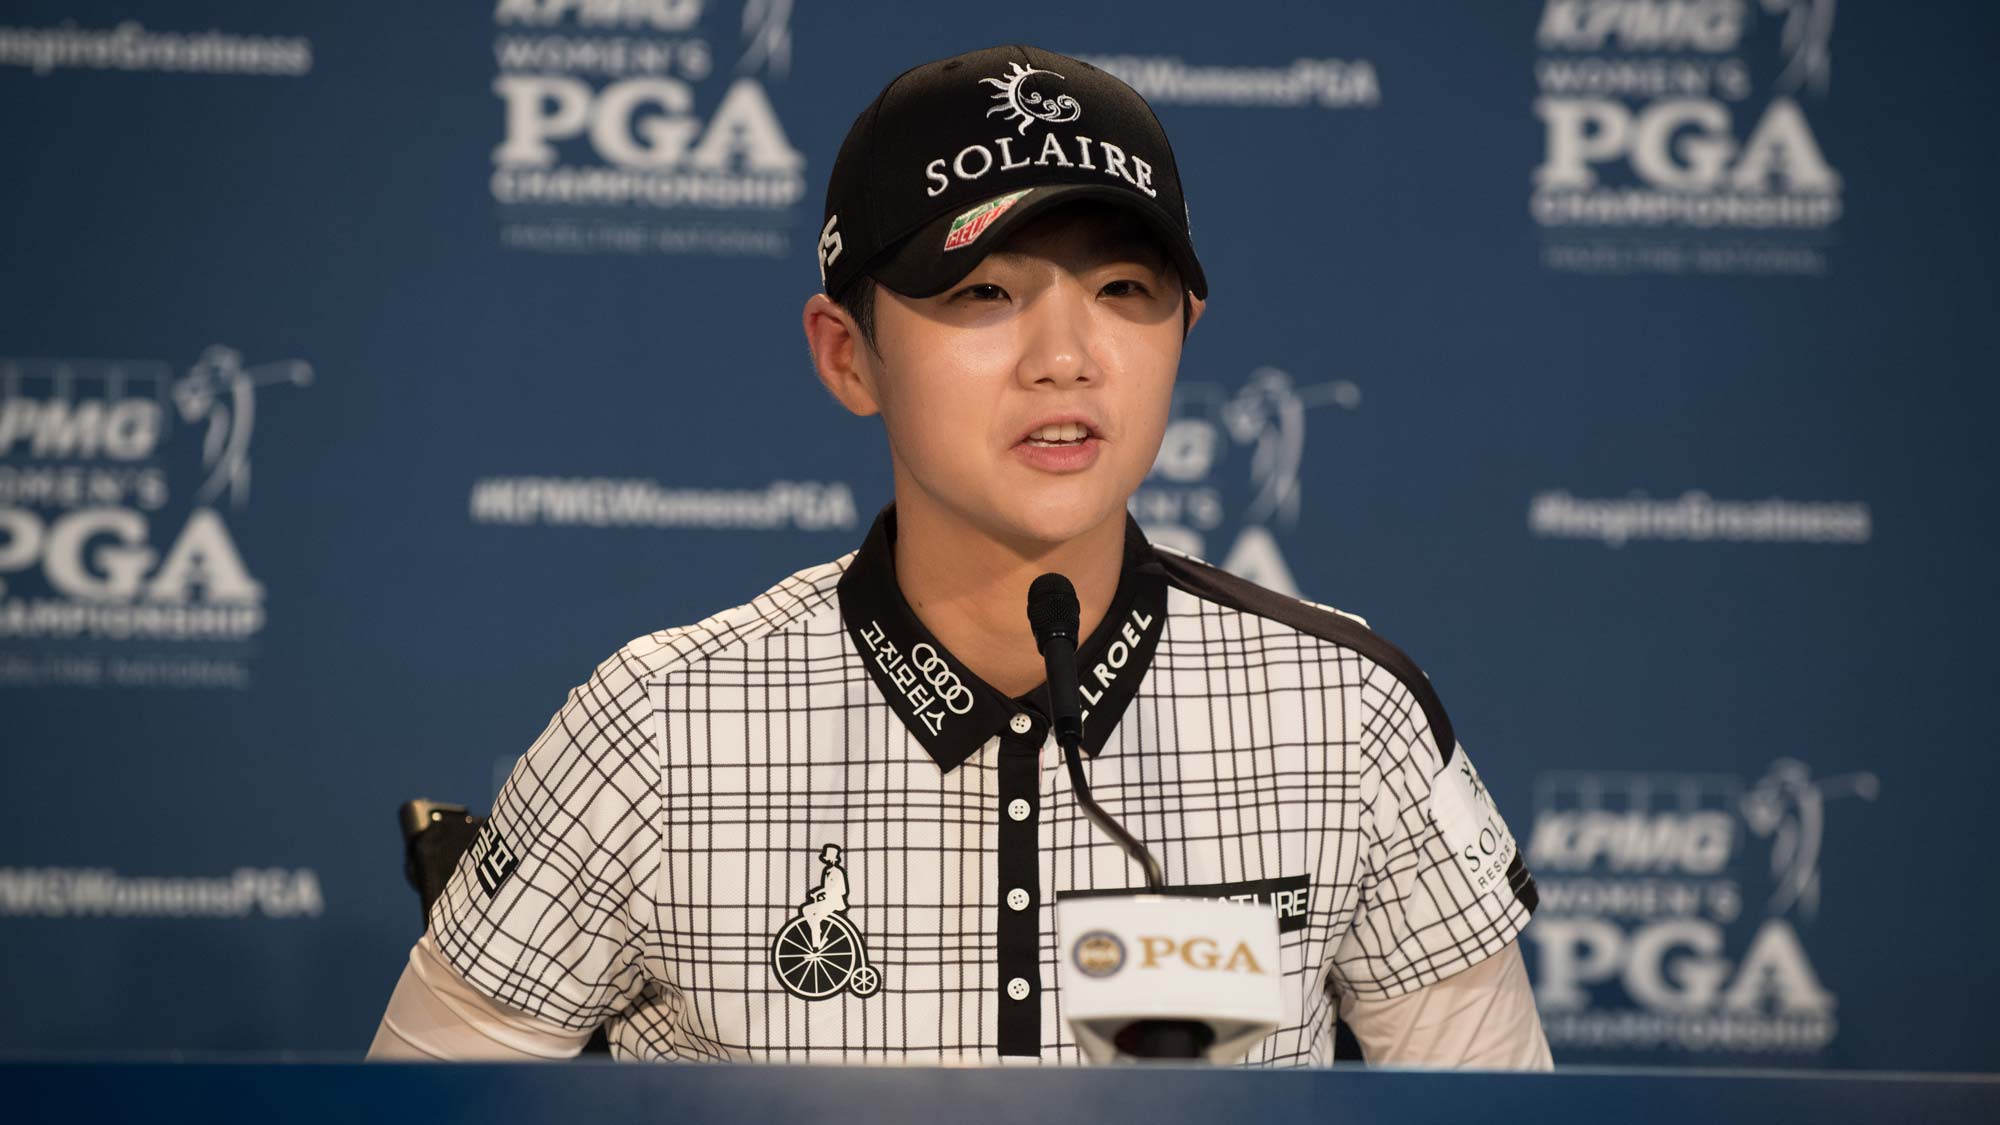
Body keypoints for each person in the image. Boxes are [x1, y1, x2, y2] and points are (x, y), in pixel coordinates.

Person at [369, 43, 1552, 1068]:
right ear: (847, 354)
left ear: (1184, 336)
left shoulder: (1349, 718)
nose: (1065, 356)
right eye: (983, 289)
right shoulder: (655, 731)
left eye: (1123, 287)